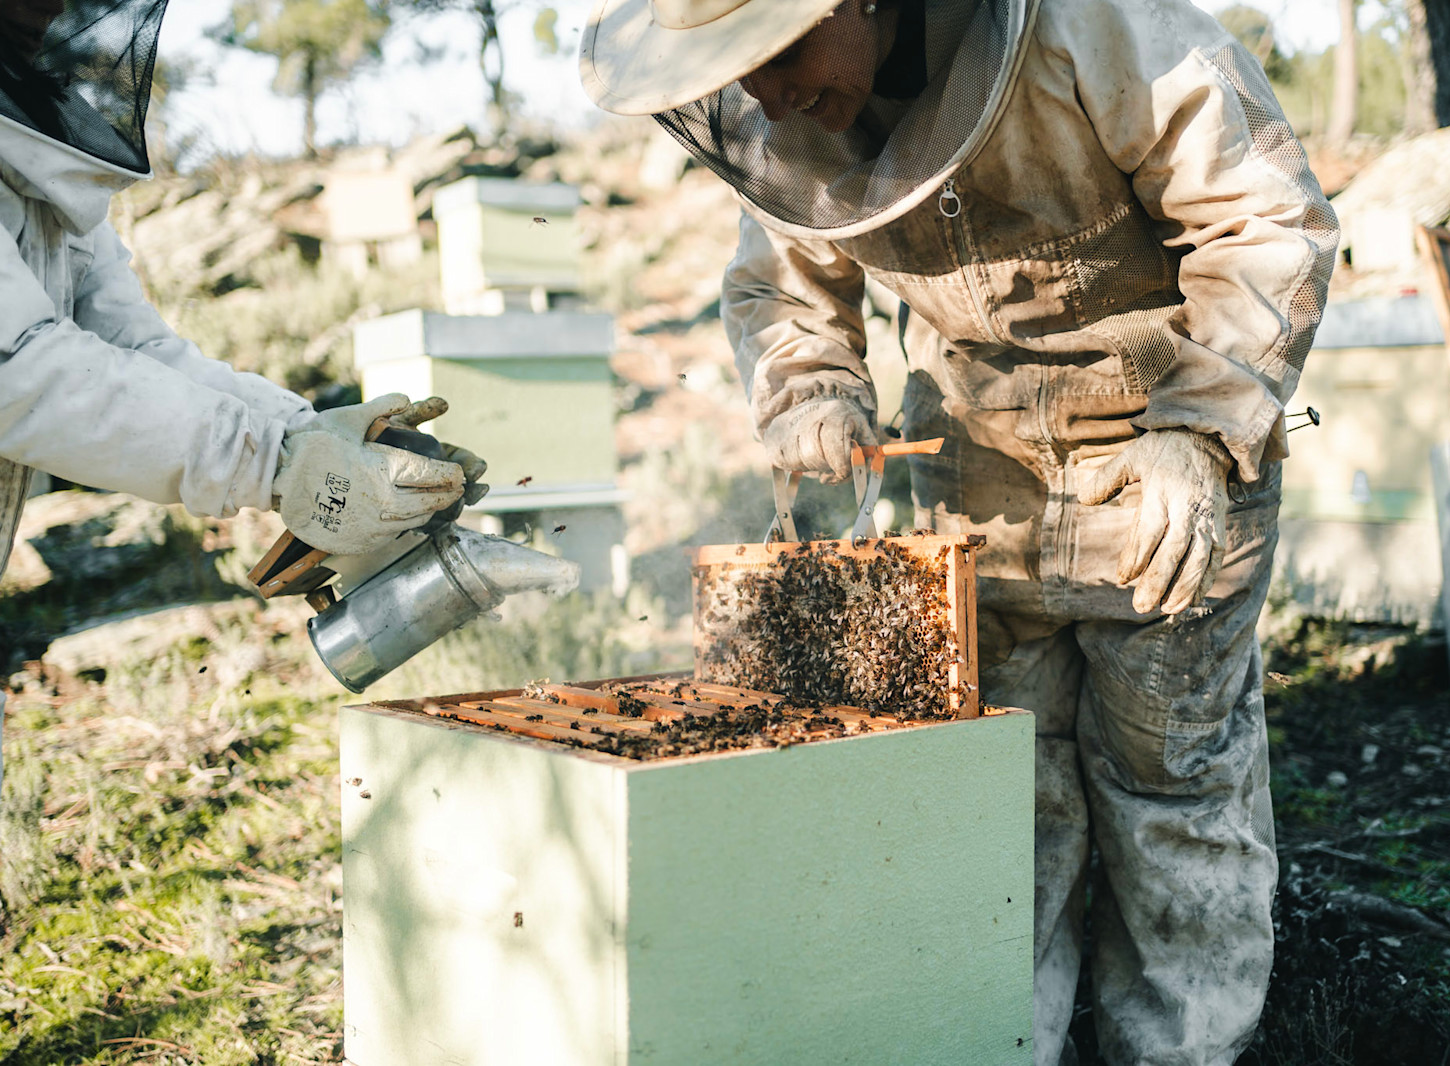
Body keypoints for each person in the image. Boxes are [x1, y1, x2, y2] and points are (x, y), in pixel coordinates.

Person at [581, 0, 1337, 1062]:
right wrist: (813, 389)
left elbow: (1261, 219)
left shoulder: (1095, 26)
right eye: (738, 71)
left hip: (1159, 465)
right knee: (992, 799)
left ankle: (1178, 1047)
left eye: (782, 52)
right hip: (973, 487)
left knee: (1167, 790)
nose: (768, 94)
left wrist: (1203, 429)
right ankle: (1001, 1040)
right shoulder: (789, 117)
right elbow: (785, 283)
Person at [0, 2, 481, 772]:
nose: (55, 7)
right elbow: (19, 370)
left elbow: (138, 347)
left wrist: (308, 431)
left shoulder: (43, 166)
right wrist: (276, 464)